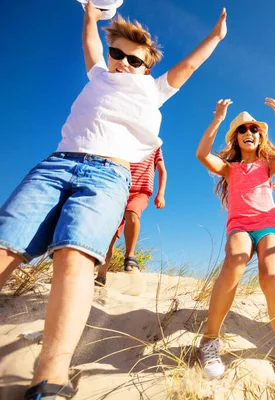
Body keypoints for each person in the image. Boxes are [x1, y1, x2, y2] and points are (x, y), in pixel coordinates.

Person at [0, 2, 227, 398]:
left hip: (108, 177)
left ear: (147, 67)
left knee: (75, 257)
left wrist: (215, 37)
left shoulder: (153, 90)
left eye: (133, 59)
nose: (122, 62)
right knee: (6, 245)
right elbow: (90, 40)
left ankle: (50, 375)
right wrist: (90, 13)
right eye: (117, 53)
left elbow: (188, 66)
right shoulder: (98, 76)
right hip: (56, 165)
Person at [195, 98, 275, 379]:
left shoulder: (268, 165)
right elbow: (202, 153)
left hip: (268, 226)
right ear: (236, 137)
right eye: (243, 129)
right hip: (240, 227)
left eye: (254, 129)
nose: (249, 132)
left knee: (271, 276)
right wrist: (219, 119)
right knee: (235, 259)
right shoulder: (229, 168)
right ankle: (209, 341)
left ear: (260, 136)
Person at [95, 147, 167, 286]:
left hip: (140, 192)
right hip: (119, 190)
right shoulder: (127, 143)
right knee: (111, 236)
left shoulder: (154, 146)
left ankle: (130, 255)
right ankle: (101, 275)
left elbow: (162, 171)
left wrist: (161, 193)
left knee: (132, 213)